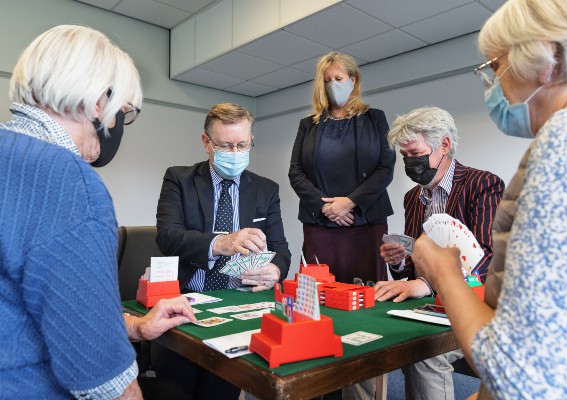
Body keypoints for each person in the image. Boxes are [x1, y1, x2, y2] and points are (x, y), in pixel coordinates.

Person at [413, 0, 567, 398]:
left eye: (496, 66)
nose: (494, 85)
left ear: (545, 57)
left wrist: (443, 273)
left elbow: (522, 378)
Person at [0, 25, 195, 399]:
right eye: (124, 111)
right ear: (97, 103)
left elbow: (32, 303)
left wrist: (134, 327)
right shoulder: (70, 182)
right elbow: (103, 377)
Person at [154, 102, 291, 399]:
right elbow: (168, 236)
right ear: (206, 143)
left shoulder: (266, 190)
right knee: (174, 390)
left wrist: (275, 270)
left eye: (242, 144)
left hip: (238, 307)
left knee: (221, 392)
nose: (235, 153)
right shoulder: (179, 179)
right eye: (225, 145)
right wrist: (221, 242)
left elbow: (280, 249)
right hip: (185, 303)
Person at [374, 107, 504, 400]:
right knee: (379, 338)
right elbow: (413, 270)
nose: (410, 162)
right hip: (430, 306)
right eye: (405, 156)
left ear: (444, 145)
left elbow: (485, 256)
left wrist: (426, 284)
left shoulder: (483, 184)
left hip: (475, 303)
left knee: (424, 353)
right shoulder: (412, 198)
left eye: (416, 152)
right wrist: (399, 263)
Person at [289, 51, 396, 284]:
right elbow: (295, 172)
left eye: (338, 79)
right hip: (320, 222)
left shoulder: (375, 118)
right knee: (319, 291)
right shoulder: (307, 125)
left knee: (368, 290)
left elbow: (386, 167)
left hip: (367, 221)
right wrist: (325, 206)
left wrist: (350, 202)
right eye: (326, 81)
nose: (332, 85)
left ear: (353, 80)